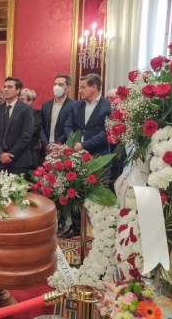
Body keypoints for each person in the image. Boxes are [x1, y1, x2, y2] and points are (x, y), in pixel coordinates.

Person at [62, 73, 111, 239]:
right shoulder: (76, 106)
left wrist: (85, 145)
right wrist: (74, 143)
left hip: (98, 155)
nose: (80, 90)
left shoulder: (108, 106)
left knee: (98, 192)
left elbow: (107, 133)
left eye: (83, 87)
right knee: (75, 192)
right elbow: (68, 126)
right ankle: (76, 226)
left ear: (94, 87)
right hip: (76, 155)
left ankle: (101, 228)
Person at [0, 76, 34, 177]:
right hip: (0, 160)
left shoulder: (26, 109)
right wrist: (1, 153)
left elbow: (26, 135)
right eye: (4, 87)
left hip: (19, 160)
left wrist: (10, 154)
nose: (6, 89)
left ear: (18, 90)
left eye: (10, 87)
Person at [40, 74, 76, 158]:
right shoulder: (46, 105)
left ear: (68, 88)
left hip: (63, 148)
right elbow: (41, 126)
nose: (56, 87)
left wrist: (56, 145)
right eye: (55, 84)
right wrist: (46, 144)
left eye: (60, 85)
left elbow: (71, 127)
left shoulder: (74, 105)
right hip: (46, 148)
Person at [19, 88, 42, 168]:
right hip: (17, 150)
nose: (19, 102)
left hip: (31, 150)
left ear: (29, 101)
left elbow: (29, 131)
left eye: (22, 99)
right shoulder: (15, 114)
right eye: (18, 99)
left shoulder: (36, 114)